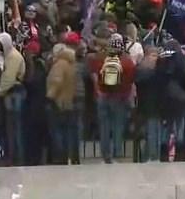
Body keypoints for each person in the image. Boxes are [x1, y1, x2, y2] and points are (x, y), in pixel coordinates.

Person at [88, 34, 136, 163]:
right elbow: (131, 80)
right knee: (117, 126)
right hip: (120, 98)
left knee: (104, 126)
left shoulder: (100, 58)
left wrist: (98, 91)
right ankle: (117, 153)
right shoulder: (127, 61)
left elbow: (94, 75)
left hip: (102, 96)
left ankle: (106, 155)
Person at [0, 32, 27, 166]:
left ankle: (15, 158)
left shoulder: (13, 57)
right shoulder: (8, 56)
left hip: (13, 92)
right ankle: (11, 155)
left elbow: (9, 78)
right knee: (10, 127)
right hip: (11, 92)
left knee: (13, 127)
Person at [47, 42, 79, 165]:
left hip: (58, 102)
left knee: (57, 131)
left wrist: (50, 96)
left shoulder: (59, 64)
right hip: (68, 101)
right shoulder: (71, 64)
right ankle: (67, 155)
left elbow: (56, 81)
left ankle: (60, 157)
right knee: (67, 132)